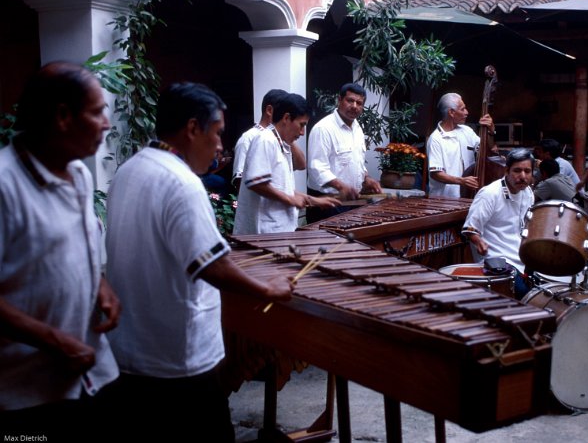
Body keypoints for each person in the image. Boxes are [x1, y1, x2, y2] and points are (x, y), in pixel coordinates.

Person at [104, 82, 294, 442]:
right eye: (218, 133)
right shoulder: (182, 183)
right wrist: (268, 287)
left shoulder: (128, 170)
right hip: (178, 361)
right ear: (192, 129)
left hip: (129, 353)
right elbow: (211, 265)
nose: (221, 146)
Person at [0, 62, 119, 439]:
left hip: (90, 373)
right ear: (63, 117)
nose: (107, 123)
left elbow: (76, 244)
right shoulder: (5, 185)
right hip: (25, 392)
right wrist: (55, 341)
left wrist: (100, 285)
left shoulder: (80, 174)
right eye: (98, 111)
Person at [233, 93, 340, 235]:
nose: (302, 132)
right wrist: (290, 200)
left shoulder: (282, 144)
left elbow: (282, 187)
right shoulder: (265, 139)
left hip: (279, 231)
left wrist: (312, 200)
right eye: (301, 125)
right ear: (286, 118)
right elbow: (256, 182)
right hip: (262, 234)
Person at [462, 148, 535, 297]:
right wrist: (478, 242)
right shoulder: (490, 193)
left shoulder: (528, 193)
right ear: (506, 171)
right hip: (496, 261)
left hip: (519, 258)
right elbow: (470, 228)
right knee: (525, 293)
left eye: (527, 171)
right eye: (517, 171)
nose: (523, 176)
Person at [306, 82, 382, 222]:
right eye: (350, 100)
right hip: (327, 203)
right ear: (339, 100)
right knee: (327, 243)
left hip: (352, 202)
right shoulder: (324, 129)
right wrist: (341, 186)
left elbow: (355, 162)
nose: (354, 106)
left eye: (359, 103)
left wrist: (367, 178)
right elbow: (317, 168)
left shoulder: (358, 128)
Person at [231, 89, 305, 189]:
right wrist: (288, 199)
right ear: (269, 110)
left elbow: (301, 165)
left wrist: (287, 137)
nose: (286, 117)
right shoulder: (248, 138)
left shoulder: (281, 138)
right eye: (285, 112)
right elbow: (240, 181)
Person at [427, 92, 494, 197]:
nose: (467, 112)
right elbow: (436, 174)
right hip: (444, 200)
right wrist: (461, 181)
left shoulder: (467, 131)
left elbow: (488, 151)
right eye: (462, 109)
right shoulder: (436, 139)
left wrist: (490, 131)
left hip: (468, 195)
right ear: (451, 112)